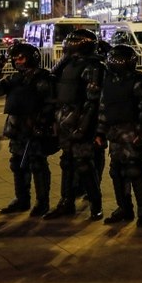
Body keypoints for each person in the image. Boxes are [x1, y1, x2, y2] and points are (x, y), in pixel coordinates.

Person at [0, 42, 56, 217]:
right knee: (17, 164)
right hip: (17, 128)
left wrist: (40, 123)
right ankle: (22, 199)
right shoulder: (15, 78)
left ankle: (42, 202)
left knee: (37, 164)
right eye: (15, 58)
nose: (18, 61)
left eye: (21, 57)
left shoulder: (42, 78)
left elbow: (50, 104)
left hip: (34, 128)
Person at [44, 29, 105, 221]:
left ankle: (96, 204)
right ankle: (66, 201)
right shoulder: (69, 64)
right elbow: (51, 80)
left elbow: (92, 101)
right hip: (65, 118)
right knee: (67, 161)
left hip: (80, 120)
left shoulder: (94, 66)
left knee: (84, 163)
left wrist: (85, 127)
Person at [95, 45, 142, 226]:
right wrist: (100, 131)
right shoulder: (109, 81)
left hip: (132, 130)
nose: (116, 63)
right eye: (113, 60)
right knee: (117, 171)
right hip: (114, 131)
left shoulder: (138, 80)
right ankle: (124, 207)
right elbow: (104, 107)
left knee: (134, 170)